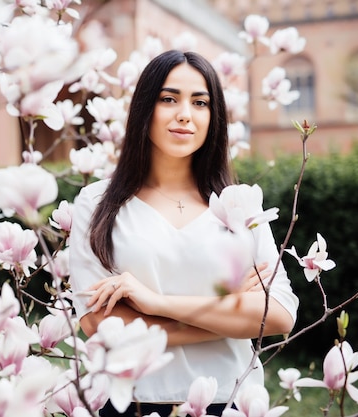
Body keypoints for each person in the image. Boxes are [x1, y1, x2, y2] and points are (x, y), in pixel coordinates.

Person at [68, 50, 299, 417]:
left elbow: (280, 314)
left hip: (230, 399)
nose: (184, 114)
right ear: (145, 106)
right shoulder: (96, 203)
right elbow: (101, 326)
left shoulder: (239, 205)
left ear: (215, 115)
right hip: (131, 402)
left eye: (200, 102)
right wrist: (229, 318)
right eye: (169, 99)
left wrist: (153, 304)